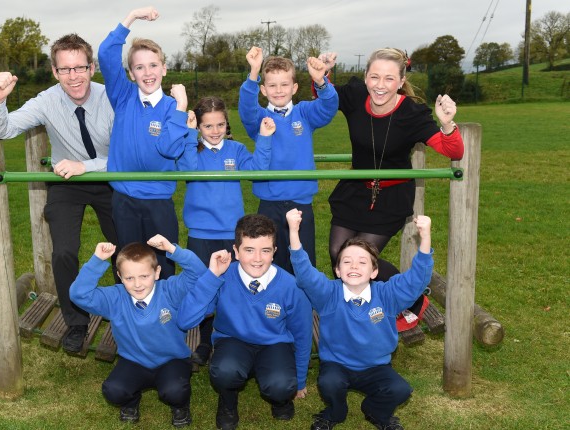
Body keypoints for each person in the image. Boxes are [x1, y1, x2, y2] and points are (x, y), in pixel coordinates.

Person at [0, 33, 118, 354]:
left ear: (92, 68)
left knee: (126, 246)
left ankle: (128, 310)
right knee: (63, 252)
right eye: (66, 70)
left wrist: (86, 166)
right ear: (55, 72)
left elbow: (127, 154)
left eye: (80, 68)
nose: (74, 77)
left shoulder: (112, 97)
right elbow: (1, 130)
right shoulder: (47, 100)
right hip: (66, 183)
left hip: (112, 177)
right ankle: (75, 322)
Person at [318, 48, 463, 330]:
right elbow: (325, 96)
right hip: (355, 190)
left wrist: (447, 124)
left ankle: (412, 299)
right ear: (365, 77)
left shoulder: (412, 112)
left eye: (388, 78)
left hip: (391, 196)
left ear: (400, 80)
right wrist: (322, 76)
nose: (380, 85)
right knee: (339, 252)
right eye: (374, 77)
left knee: (361, 256)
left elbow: (452, 149)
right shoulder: (356, 95)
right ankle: (359, 310)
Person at [286, 208, 434, 430]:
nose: (354, 266)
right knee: (329, 383)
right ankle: (335, 412)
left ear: (374, 272)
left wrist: (425, 238)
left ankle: (376, 411)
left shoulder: (387, 295)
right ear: (337, 270)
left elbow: (416, 281)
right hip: (337, 365)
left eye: (362, 262)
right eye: (346, 262)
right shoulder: (328, 295)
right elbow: (305, 274)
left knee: (400, 389)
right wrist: (294, 231)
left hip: (376, 367)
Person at [177, 214, 312, 430]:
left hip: (274, 343)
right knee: (225, 371)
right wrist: (212, 276)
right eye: (249, 250)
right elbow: (185, 320)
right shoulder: (222, 277)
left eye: (265, 250)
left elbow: (303, 334)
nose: (257, 258)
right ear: (236, 251)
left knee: (282, 384)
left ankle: (280, 400)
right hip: (233, 340)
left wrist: (301, 380)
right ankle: (228, 403)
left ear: (275, 252)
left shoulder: (290, 286)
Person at [70, 234, 214, 427]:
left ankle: (180, 406)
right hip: (133, 361)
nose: (137, 284)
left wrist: (173, 250)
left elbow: (198, 275)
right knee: (113, 390)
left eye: (144, 276)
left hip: (171, 360)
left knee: (175, 390)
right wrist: (97, 261)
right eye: (129, 278)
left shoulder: (170, 290)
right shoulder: (115, 298)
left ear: (157, 272)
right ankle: (131, 401)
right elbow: (78, 294)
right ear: (120, 276)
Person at [177, 97, 275, 367]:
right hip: (200, 234)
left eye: (220, 124)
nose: (215, 130)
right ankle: (206, 342)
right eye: (208, 126)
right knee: (204, 287)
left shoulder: (236, 149)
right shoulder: (192, 149)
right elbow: (188, 171)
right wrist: (187, 134)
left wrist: (264, 138)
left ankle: (232, 339)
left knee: (233, 288)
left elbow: (258, 171)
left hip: (231, 234)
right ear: (199, 127)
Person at [98, 6, 192, 279]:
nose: (147, 72)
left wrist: (181, 107)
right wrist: (131, 17)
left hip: (158, 200)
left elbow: (169, 148)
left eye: (153, 65)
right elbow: (105, 54)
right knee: (127, 260)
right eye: (139, 67)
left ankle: (164, 317)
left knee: (162, 261)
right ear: (131, 74)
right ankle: (128, 318)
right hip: (125, 198)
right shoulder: (124, 96)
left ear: (164, 68)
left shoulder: (172, 108)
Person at [238, 46, 339, 274]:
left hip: (300, 203)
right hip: (269, 203)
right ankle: (272, 306)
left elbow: (328, 107)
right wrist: (254, 72)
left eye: (284, 85)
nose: (279, 90)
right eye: (272, 85)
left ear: (294, 87)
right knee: (268, 261)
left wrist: (321, 81)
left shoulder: (304, 113)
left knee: (302, 262)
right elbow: (246, 108)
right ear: (263, 90)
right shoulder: (259, 118)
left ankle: (303, 307)